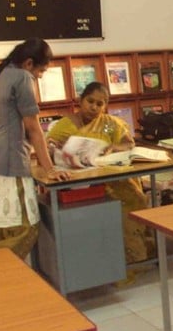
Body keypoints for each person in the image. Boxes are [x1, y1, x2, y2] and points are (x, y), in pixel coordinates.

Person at [0, 38, 71, 260]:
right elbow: (33, 128)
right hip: (8, 165)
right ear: (28, 64)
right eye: (42, 71)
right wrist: (50, 169)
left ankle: (0, 285)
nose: (40, 76)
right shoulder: (23, 77)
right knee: (27, 227)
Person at [46, 82, 154, 264]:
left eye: (100, 104)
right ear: (81, 101)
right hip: (79, 183)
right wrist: (54, 147)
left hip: (115, 180)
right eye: (90, 101)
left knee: (133, 200)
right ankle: (101, 263)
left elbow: (129, 144)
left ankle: (134, 260)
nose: (94, 107)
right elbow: (47, 148)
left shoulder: (108, 125)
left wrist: (113, 147)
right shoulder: (65, 124)